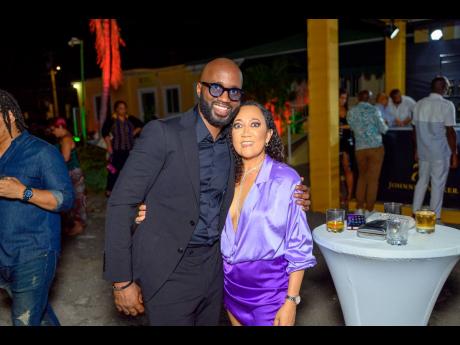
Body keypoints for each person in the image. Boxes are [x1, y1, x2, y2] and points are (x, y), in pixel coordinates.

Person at [103, 58, 311, 326]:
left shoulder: (233, 143)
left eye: (233, 91)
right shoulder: (163, 134)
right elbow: (121, 203)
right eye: (216, 88)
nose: (224, 97)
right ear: (199, 89)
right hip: (169, 273)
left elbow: (260, 183)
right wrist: (122, 281)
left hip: (216, 274)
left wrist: (297, 196)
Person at [222, 101, 316, 326]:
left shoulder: (285, 179)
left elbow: (299, 246)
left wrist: (291, 301)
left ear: (268, 135)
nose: (245, 132)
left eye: (255, 124)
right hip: (230, 290)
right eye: (237, 126)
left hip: (269, 295)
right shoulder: (222, 178)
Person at [0, 90, 74, 326]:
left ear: (9, 116)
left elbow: (65, 199)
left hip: (34, 253)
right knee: (39, 317)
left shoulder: (42, 152)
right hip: (4, 254)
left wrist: (24, 192)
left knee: (24, 321)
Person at [412, 76, 458, 221]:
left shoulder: (418, 104)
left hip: (423, 152)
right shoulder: (447, 105)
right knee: (437, 185)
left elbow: (414, 130)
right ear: (444, 88)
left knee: (422, 182)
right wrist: (455, 154)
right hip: (440, 153)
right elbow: (450, 132)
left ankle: (414, 214)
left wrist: (417, 149)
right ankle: (435, 219)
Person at [347, 90, 388, 217]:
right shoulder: (375, 110)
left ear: (358, 98)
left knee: (362, 177)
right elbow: (384, 129)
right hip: (375, 147)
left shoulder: (351, 112)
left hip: (360, 148)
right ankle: (369, 210)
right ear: (370, 99)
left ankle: (359, 208)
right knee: (373, 180)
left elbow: (353, 128)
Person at [50, 117, 87, 236]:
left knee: (76, 199)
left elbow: (65, 158)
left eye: (53, 129)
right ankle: (75, 224)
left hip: (72, 172)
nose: (53, 132)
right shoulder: (66, 137)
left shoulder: (66, 139)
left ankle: (78, 225)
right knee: (74, 199)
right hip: (71, 171)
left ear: (60, 127)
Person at [101, 100, 143, 197]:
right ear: (116, 109)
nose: (123, 110)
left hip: (129, 150)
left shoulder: (130, 119)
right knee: (113, 171)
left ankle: (130, 190)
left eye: (124, 108)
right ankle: (109, 190)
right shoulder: (112, 120)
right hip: (117, 149)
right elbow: (105, 133)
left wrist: (133, 133)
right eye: (120, 108)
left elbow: (141, 124)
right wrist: (109, 147)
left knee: (130, 170)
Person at [339, 88, 354, 206]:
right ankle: (339, 195)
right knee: (337, 171)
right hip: (334, 142)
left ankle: (349, 195)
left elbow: (353, 125)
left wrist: (342, 127)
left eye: (345, 98)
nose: (343, 100)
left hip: (346, 142)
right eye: (341, 97)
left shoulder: (348, 110)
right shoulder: (332, 109)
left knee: (347, 168)